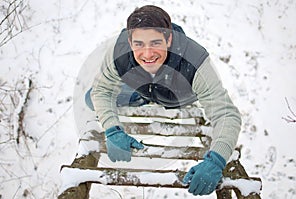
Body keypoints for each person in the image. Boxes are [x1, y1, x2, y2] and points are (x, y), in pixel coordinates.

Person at [89, 5, 241, 196]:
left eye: (155, 43)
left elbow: (226, 113)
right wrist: (111, 129)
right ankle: (139, 98)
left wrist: (216, 160)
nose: (147, 53)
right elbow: (101, 90)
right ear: (129, 42)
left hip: (177, 98)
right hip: (142, 89)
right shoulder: (118, 52)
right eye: (138, 44)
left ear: (168, 39)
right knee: (90, 98)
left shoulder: (194, 61)